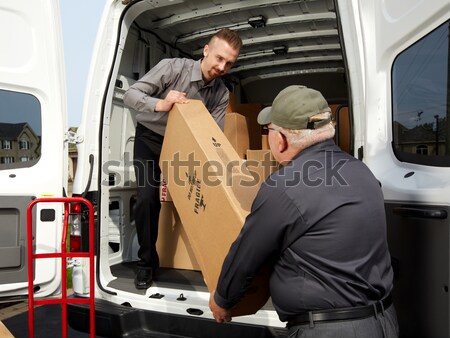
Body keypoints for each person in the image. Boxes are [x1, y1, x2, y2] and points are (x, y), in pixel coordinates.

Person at [209, 85, 399, 337]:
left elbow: (247, 255)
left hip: (331, 331)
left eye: (269, 130)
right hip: (384, 322)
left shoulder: (285, 186)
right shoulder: (362, 172)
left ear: (282, 139)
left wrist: (222, 300)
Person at [123, 28, 243, 289]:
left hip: (184, 147)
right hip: (151, 139)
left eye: (229, 63)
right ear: (206, 50)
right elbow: (130, 94)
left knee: (207, 195)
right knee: (147, 198)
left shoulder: (221, 93)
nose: (222, 67)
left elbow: (212, 134)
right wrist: (160, 104)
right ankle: (146, 263)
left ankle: (212, 264)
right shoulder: (172, 68)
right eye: (219, 58)